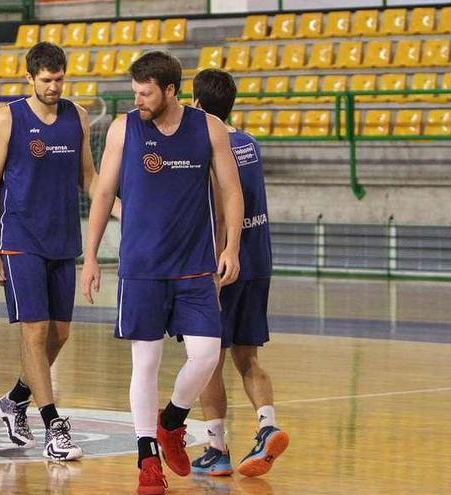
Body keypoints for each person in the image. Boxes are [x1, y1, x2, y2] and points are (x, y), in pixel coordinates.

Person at [81, 51, 244, 495]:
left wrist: (231, 247)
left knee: (207, 355)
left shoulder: (207, 128)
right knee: (145, 363)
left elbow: (231, 190)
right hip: (141, 267)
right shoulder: (124, 128)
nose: (138, 100)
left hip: (194, 266)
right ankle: (147, 459)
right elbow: (102, 194)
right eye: (135, 92)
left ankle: (171, 420)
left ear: (171, 90)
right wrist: (91, 255)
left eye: (146, 93)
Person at [0, 41, 116, 461]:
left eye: (59, 79)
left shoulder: (78, 116)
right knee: (35, 332)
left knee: (60, 334)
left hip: (63, 240)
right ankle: (54, 426)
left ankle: (14, 400)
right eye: (46, 80)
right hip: (20, 240)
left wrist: (120, 208)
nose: (54, 86)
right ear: (30, 78)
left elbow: (89, 178)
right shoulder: (9, 119)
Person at [189, 68, 289, 478]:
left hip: (222, 265)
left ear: (196, 106)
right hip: (258, 259)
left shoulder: (208, 148)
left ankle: (216, 447)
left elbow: (219, 207)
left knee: (208, 361)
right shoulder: (250, 142)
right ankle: (267, 424)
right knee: (248, 357)